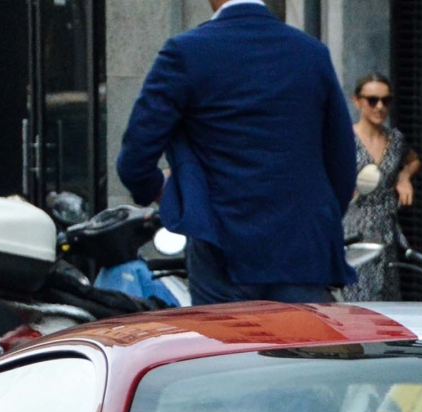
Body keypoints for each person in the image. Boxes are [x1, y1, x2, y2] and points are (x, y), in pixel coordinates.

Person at [116, 0, 358, 306]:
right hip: (303, 249)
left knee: (227, 352)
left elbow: (135, 160)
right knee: (303, 351)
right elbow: (342, 161)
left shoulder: (186, 52)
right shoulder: (311, 53)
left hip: (222, 247)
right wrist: (316, 220)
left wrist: (165, 191)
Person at [341, 72, 418, 302]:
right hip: (353, 233)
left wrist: (404, 177)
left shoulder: (395, 140)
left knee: (388, 303)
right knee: (357, 302)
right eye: (372, 100)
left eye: (386, 100)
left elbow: (413, 160)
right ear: (357, 101)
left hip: (385, 233)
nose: (380, 107)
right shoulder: (344, 137)